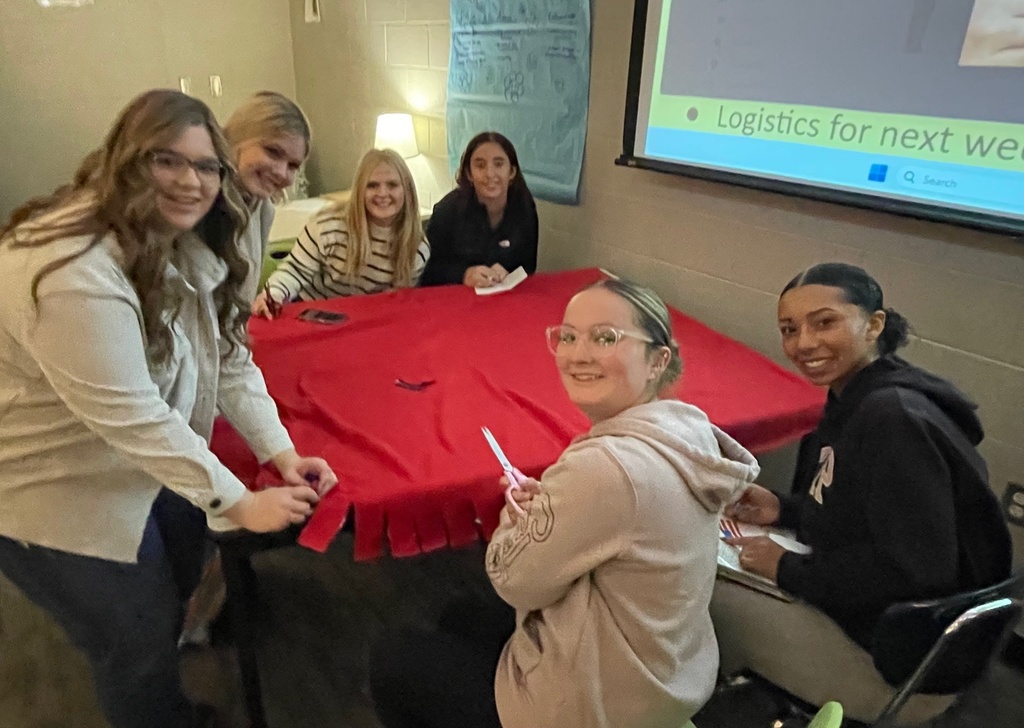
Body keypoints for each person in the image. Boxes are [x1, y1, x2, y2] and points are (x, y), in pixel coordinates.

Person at [0, 89, 337, 728]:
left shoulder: (177, 236)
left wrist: (281, 453)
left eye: (206, 167)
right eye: (169, 161)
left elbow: (227, 354)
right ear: (125, 160)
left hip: (138, 463)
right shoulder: (71, 266)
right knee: (134, 639)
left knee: (174, 588)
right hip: (51, 489)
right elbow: (132, 413)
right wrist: (242, 501)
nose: (192, 181)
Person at [369, 278, 761, 728]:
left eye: (605, 337)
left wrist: (513, 518)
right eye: (568, 336)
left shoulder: (605, 467)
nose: (577, 353)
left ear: (658, 360)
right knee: (460, 614)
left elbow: (511, 578)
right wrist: (553, 509)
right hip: (670, 677)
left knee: (395, 656)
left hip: (596, 708)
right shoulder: (686, 432)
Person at [713, 262, 1012, 723]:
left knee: (691, 584)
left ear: (874, 324)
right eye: (789, 329)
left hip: (901, 660)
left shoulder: (892, 417)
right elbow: (860, 516)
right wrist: (785, 510)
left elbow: (916, 571)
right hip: (897, 629)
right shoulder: (855, 397)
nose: (803, 343)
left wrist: (786, 567)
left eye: (825, 322)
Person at [251, 148, 429, 318]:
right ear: (359, 191)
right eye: (372, 186)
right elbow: (295, 271)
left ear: (407, 191)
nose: (383, 193)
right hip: (314, 313)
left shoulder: (417, 248)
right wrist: (273, 293)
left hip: (369, 321)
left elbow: (399, 300)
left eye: (392, 185)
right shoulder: (327, 226)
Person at [223, 90, 311, 302]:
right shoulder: (198, 205)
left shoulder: (262, 209)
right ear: (237, 139)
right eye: (273, 151)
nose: (282, 172)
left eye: (293, 165)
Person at [419, 131, 538, 289]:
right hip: (455, 301)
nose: (490, 174)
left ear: (512, 172)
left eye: (499, 164)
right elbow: (426, 272)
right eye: (480, 165)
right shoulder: (447, 211)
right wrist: (464, 274)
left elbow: (528, 268)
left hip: (504, 299)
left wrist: (509, 273)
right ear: (469, 173)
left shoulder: (524, 207)